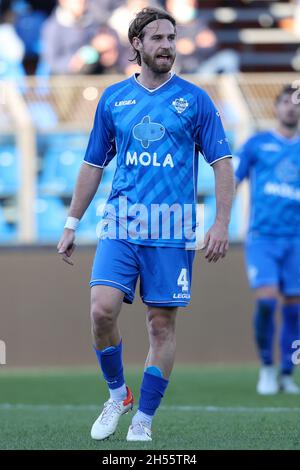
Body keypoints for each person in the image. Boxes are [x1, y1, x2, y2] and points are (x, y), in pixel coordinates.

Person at [57, 6, 234, 442]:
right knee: (101, 311)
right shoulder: (114, 99)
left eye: (171, 38)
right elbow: (92, 164)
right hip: (121, 223)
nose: (167, 46)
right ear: (136, 44)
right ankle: (118, 394)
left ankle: (143, 421)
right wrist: (70, 222)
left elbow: (223, 163)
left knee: (160, 326)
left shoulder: (195, 99)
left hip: (172, 229)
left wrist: (221, 223)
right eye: (157, 38)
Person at [235, 85, 300, 395]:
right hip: (263, 237)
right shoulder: (257, 145)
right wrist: (220, 221)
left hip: (297, 240)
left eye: (296, 104)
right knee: (266, 302)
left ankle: (288, 373)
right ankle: (266, 367)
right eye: (286, 103)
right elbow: (231, 180)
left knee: (294, 310)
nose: (291, 108)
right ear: (276, 108)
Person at [41, 0, 98, 74]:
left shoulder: (94, 23)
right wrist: (74, 63)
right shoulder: (52, 27)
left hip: (93, 73)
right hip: (65, 78)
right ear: (63, 2)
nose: (82, 1)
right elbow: (51, 61)